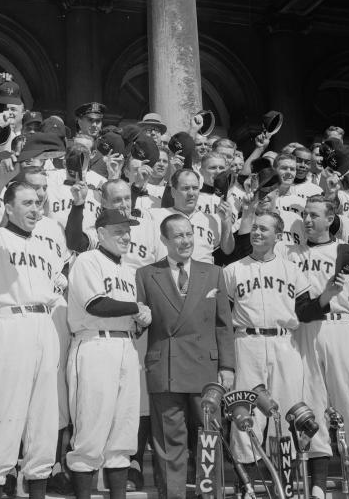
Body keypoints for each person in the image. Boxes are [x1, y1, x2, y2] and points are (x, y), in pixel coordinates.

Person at [0, 157, 65, 499]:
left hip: (43, 324)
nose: (35, 208)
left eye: (38, 202)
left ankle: (38, 485)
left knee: (43, 419)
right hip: (9, 323)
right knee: (5, 416)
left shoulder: (44, 246)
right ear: (7, 209)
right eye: (26, 203)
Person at [136, 213, 234, 499]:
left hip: (206, 369)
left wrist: (227, 366)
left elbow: (223, 324)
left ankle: (209, 495)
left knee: (209, 441)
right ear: (165, 240)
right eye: (178, 235)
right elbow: (140, 324)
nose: (185, 240)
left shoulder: (213, 273)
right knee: (169, 445)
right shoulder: (146, 274)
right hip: (166, 369)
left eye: (189, 234)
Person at [287, 196, 349, 499]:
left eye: (314, 215)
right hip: (305, 330)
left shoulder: (345, 251)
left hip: (339, 327)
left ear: (330, 218)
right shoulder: (291, 254)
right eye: (304, 215)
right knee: (312, 404)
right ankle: (319, 485)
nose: (307, 220)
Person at [66, 208, 152, 499]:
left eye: (128, 230)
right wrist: (136, 309)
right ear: (100, 233)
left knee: (124, 432)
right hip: (94, 345)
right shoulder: (86, 260)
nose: (126, 236)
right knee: (90, 430)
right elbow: (96, 305)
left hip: (125, 345)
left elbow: (131, 315)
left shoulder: (129, 271)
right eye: (118, 231)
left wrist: (141, 320)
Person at [224, 210, 311, 468]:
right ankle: (247, 487)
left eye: (264, 229)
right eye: (255, 228)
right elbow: (224, 317)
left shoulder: (291, 270)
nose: (257, 233)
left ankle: (285, 483)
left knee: (285, 412)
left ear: (278, 235)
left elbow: (306, 310)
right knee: (245, 413)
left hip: (284, 342)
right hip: (246, 341)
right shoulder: (233, 270)